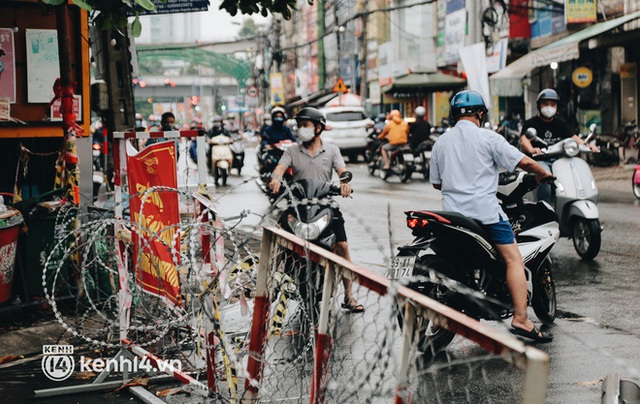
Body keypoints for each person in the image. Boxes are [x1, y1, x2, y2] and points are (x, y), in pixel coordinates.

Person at [429, 90, 554, 342]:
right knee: (513, 260)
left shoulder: (441, 142)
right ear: (480, 113)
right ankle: (520, 318)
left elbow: (437, 184)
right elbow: (525, 163)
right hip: (485, 214)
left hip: (452, 216)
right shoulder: (489, 138)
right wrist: (543, 174)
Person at [268, 107, 365, 313]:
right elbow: (280, 169)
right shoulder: (292, 151)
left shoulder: (331, 150)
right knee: (278, 238)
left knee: (343, 246)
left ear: (318, 128)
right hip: (298, 204)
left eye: (306, 125)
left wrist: (344, 183)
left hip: (325, 204)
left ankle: (349, 295)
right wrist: (276, 179)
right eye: (299, 125)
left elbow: (343, 171)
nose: (301, 129)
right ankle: (272, 285)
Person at [520, 89, 598, 201]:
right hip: (540, 160)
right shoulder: (531, 123)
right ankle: (544, 210)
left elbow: (573, 138)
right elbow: (524, 139)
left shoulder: (561, 123)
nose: (549, 107)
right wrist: (531, 149)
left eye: (552, 104)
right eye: (545, 104)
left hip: (560, 160)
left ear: (557, 107)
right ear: (539, 105)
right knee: (544, 179)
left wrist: (587, 145)